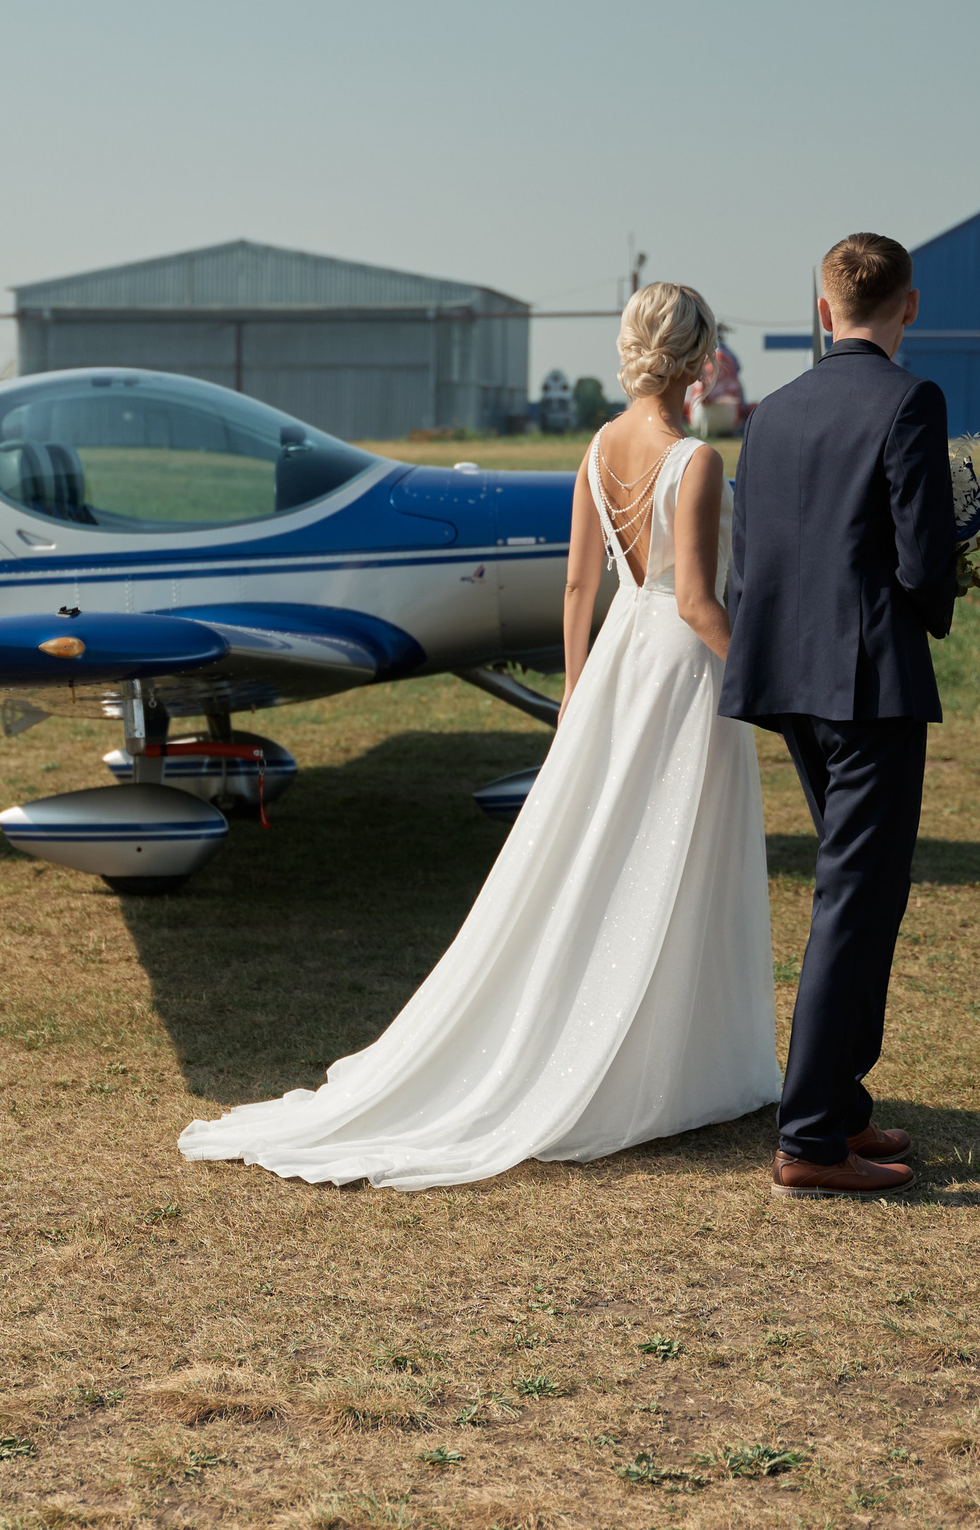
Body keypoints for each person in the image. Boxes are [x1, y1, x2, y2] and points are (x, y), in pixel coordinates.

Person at [177, 283, 781, 1191]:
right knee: (675, 850)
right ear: (699, 358)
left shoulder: (598, 447)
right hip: (681, 664)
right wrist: (760, 680)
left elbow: (580, 590)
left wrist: (580, 693)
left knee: (611, 851)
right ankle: (668, 1058)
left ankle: (654, 1052)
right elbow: (696, 599)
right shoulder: (694, 460)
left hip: (619, 660)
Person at [721, 233, 955, 1200]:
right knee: (856, 901)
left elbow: (751, 560)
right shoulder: (910, 400)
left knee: (865, 893)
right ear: (908, 306)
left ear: (824, 312)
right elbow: (922, 560)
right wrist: (942, 584)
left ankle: (843, 1105)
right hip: (871, 684)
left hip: (790, 679)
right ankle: (811, 1136)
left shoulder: (770, 414)